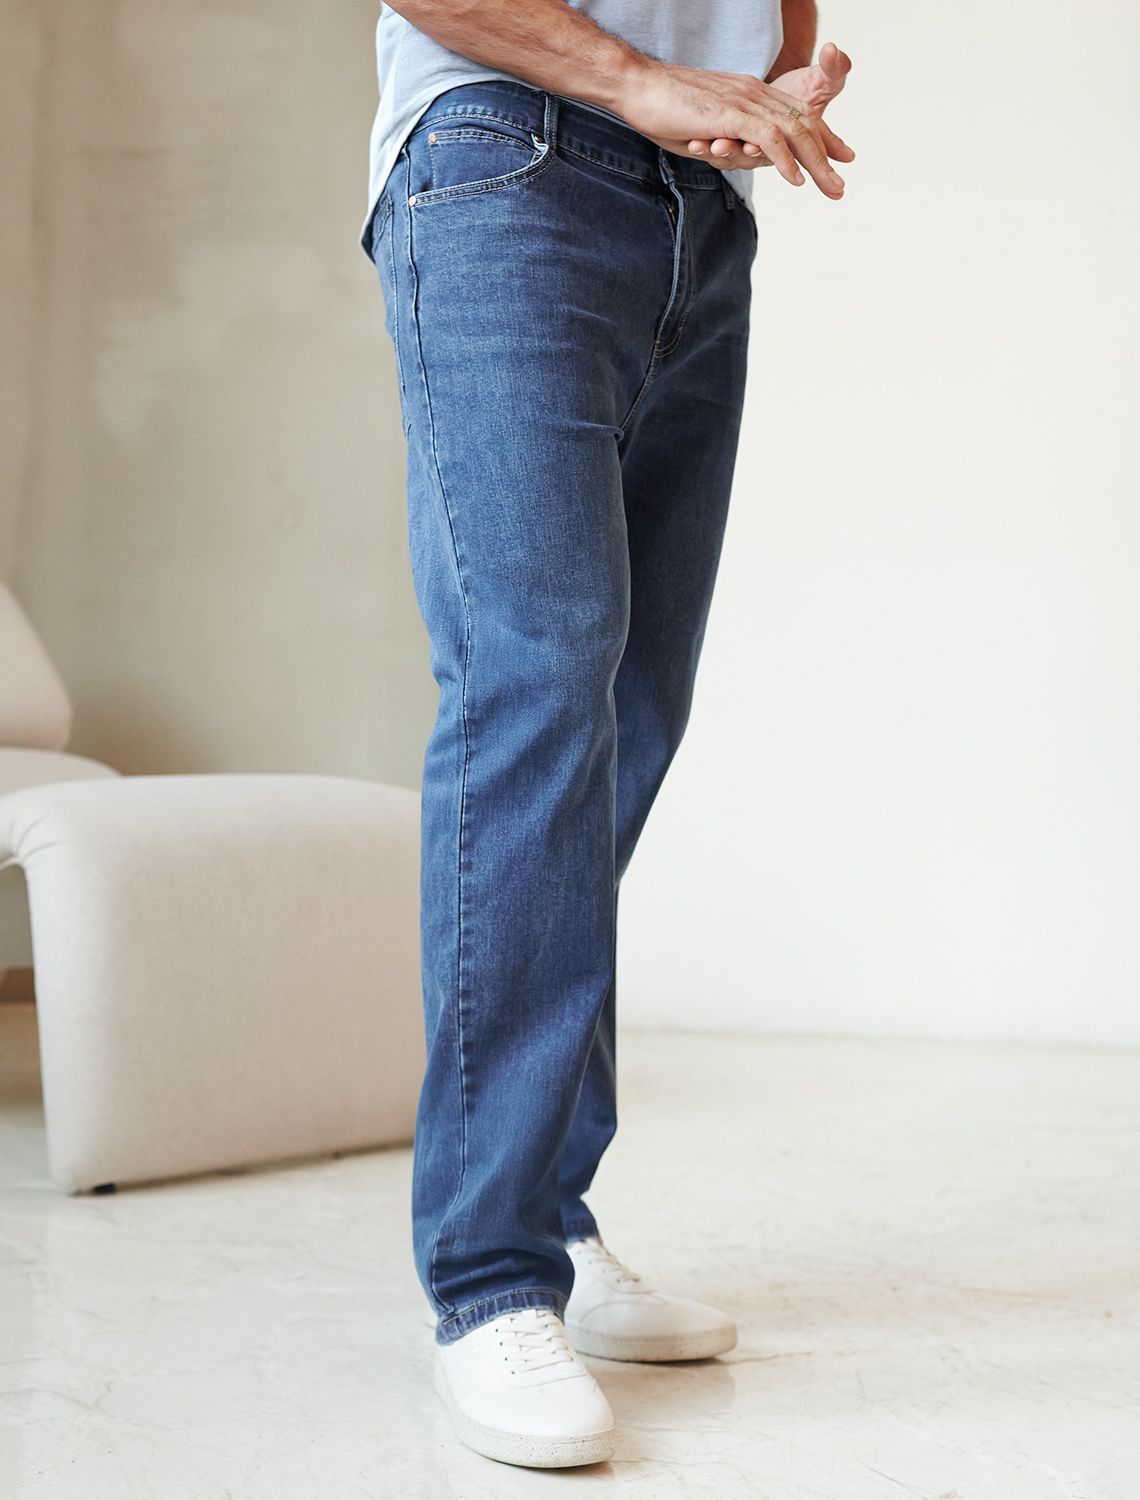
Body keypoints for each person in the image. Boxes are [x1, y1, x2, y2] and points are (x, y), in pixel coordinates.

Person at [360, 0, 854, 1469]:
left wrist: (778, 78)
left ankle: (556, 1223)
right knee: (537, 684)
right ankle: (490, 1274)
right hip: (505, 159)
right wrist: (638, 79)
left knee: (629, 716)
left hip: (703, 212)